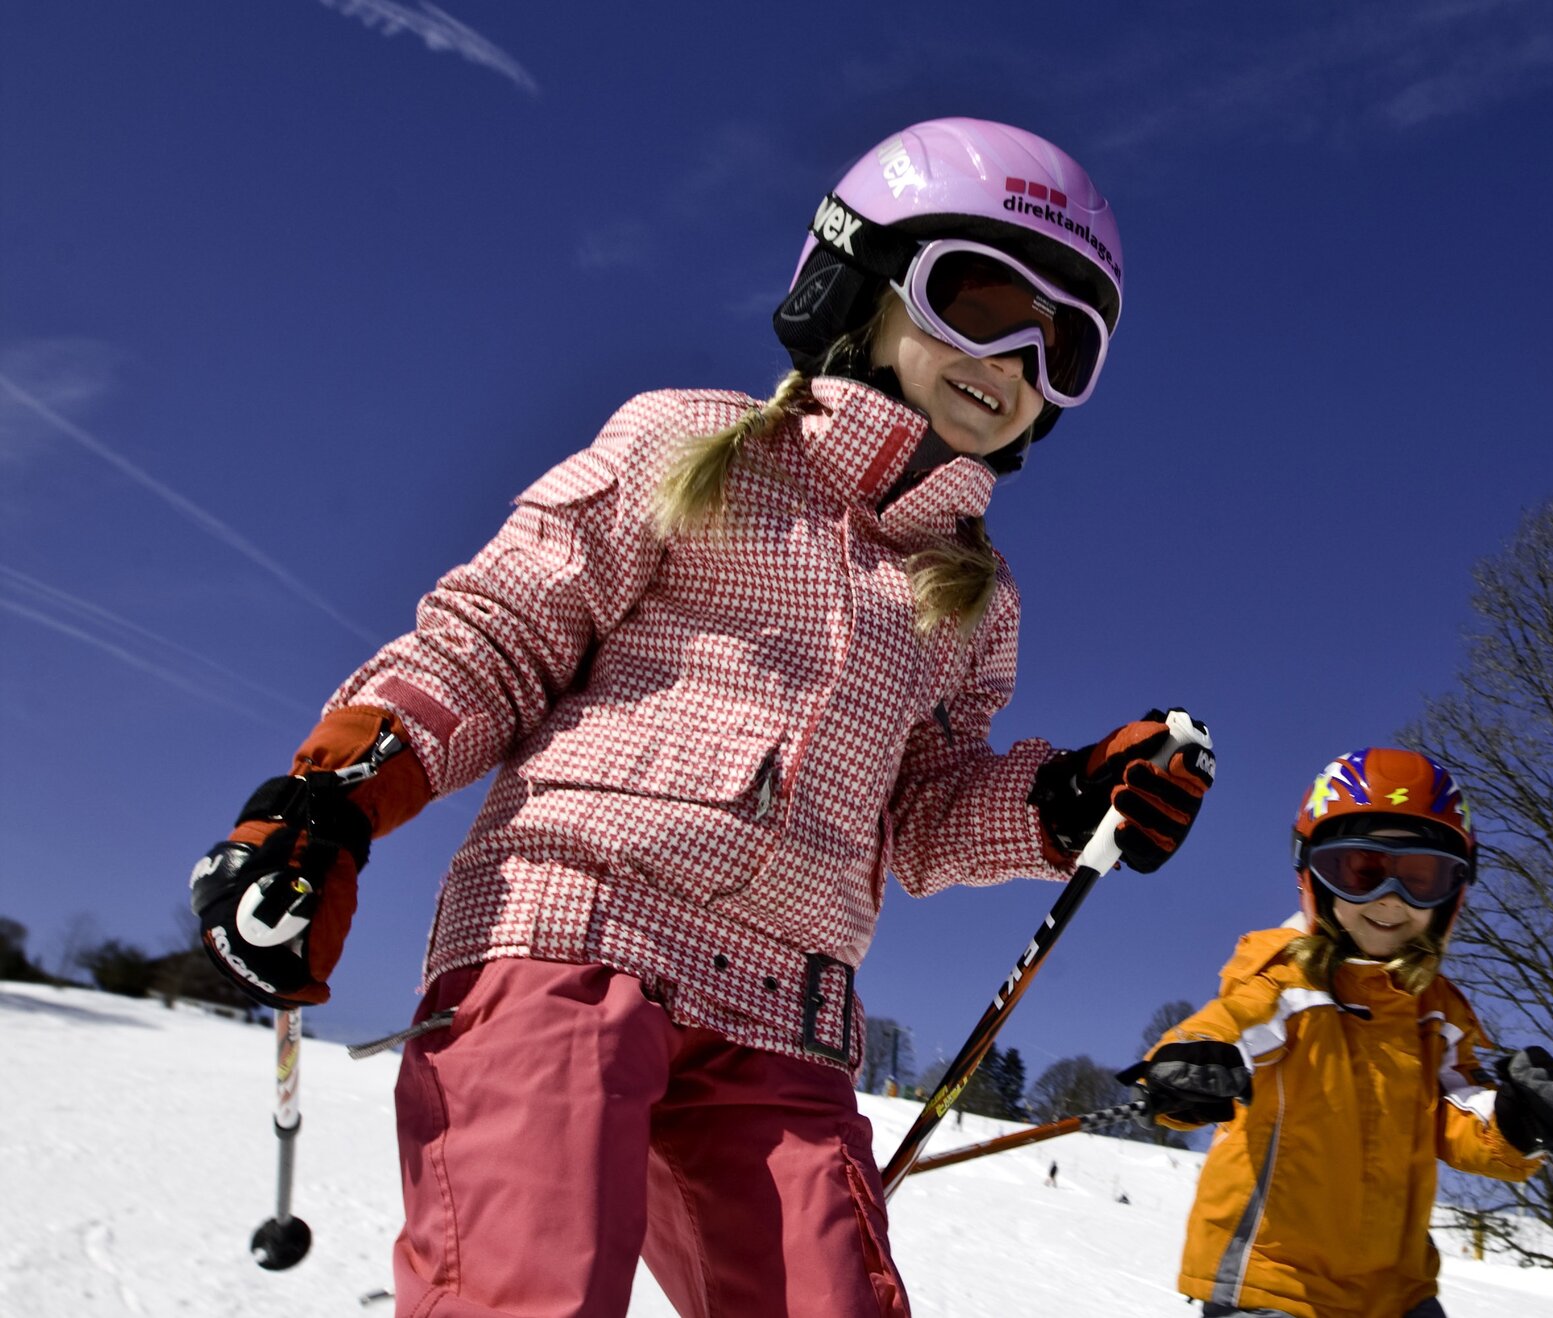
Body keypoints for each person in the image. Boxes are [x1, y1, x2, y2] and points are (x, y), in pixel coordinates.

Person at [185, 117, 1213, 1318]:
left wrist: (1060, 800)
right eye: (977, 297)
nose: (1015, 358)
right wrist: (332, 796)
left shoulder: (975, 601)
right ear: (855, 277)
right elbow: (499, 634)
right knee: (532, 1288)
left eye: (1064, 345)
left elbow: (922, 816)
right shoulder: (692, 446)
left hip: (787, 1017)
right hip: (569, 933)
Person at [1120, 749, 1553, 1318]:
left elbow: (1459, 1111)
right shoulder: (1287, 980)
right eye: (1360, 871)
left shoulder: (1434, 1014)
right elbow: (1233, 1024)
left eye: (1420, 877)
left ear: (1453, 892)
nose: (1390, 900)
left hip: (1398, 1292)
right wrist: (1191, 1062)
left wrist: (1517, 1123)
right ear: (1313, 872)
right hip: (1276, 1284)